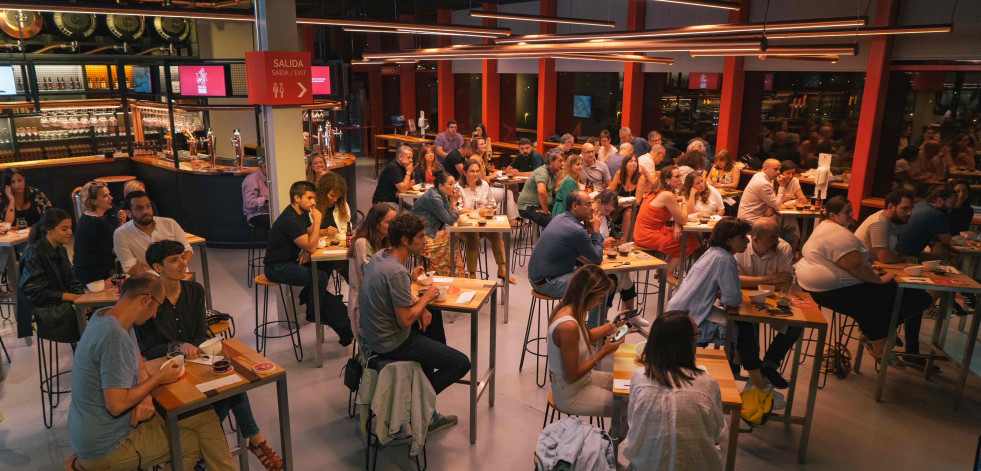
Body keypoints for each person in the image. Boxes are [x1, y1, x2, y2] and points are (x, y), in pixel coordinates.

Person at [134, 241, 283, 470]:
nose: (183, 263)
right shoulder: (148, 300)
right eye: (174, 260)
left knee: (232, 383)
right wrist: (178, 346)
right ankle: (253, 441)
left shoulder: (195, 290)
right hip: (167, 373)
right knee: (229, 392)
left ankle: (244, 442)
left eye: (182, 257)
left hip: (196, 362)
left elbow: (200, 334)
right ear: (158, 267)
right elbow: (147, 350)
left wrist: (190, 347)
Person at [67, 273, 235, 471]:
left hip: (96, 429)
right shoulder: (114, 337)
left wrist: (146, 396)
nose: (156, 314)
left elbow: (138, 362)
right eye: (158, 306)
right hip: (107, 445)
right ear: (146, 299)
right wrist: (158, 378)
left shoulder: (110, 315)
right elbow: (116, 405)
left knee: (205, 415)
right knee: (189, 444)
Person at [358, 213, 469, 433]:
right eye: (420, 237)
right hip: (391, 342)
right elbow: (405, 320)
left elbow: (391, 291)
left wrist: (411, 280)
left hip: (375, 336)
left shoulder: (381, 257)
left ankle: (427, 411)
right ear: (405, 241)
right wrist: (426, 298)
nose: (425, 241)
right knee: (461, 363)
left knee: (431, 320)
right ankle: (416, 406)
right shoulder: (396, 271)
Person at [795, 196, 932, 367]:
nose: (852, 215)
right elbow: (855, 264)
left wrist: (873, 272)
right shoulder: (838, 233)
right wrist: (878, 280)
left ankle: (878, 335)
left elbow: (850, 263)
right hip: (829, 290)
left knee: (892, 297)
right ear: (832, 215)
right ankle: (880, 343)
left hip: (822, 287)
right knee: (902, 296)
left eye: (851, 210)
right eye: (847, 212)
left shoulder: (827, 228)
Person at [622, 311, 726, 471]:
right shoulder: (708, 383)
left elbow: (632, 422)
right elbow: (719, 433)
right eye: (697, 334)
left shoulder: (639, 376)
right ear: (687, 343)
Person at [264, 181, 353, 346]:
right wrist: (317, 221)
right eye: (310, 198)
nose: (313, 202)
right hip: (276, 267)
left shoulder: (300, 212)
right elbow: (311, 244)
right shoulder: (290, 218)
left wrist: (310, 244)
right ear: (297, 198)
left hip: (292, 259)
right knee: (318, 278)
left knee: (326, 265)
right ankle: (313, 312)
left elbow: (308, 233)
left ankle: (309, 297)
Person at [547, 265, 627, 418]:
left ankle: (614, 439)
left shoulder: (572, 308)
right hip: (570, 393)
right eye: (600, 298)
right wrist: (604, 352)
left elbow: (586, 337)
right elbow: (572, 374)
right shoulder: (567, 326)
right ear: (589, 294)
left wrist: (612, 326)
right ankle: (611, 441)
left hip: (582, 380)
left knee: (627, 387)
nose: (599, 303)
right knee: (627, 407)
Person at [733, 218, 802, 390]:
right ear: (756, 239)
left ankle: (769, 364)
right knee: (742, 320)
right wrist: (770, 279)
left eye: (777, 235)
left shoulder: (783, 248)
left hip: (774, 299)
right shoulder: (741, 247)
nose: (777, 240)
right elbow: (735, 281)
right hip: (746, 300)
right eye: (772, 237)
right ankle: (751, 365)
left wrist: (749, 281)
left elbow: (784, 282)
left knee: (797, 324)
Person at [665, 217, 749, 348]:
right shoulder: (726, 260)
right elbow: (732, 300)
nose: (747, 241)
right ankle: (746, 367)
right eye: (742, 237)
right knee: (743, 328)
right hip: (690, 317)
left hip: (677, 309)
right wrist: (725, 295)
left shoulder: (712, 252)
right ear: (728, 240)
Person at [529, 191, 607, 323]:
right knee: (599, 284)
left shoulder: (561, 218)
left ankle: (582, 322)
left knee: (588, 272)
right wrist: (596, 231)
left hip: (537, 278)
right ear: (575, 206)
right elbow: (597, 258)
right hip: (549, 283)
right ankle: (594, 332)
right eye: (588, 204)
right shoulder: (576, 230)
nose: (592, 208)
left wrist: (591, 235)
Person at [17, 208, 85, 341]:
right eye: (64, 229)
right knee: (86, 322)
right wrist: (69, 296)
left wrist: (81, 297)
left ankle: (87, 355)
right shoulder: (34, 254)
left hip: (55, 300)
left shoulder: (61, 250)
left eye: (70, 228)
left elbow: (72, 279)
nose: (70, 232)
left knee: (95, 312)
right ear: (49, 229)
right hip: (40, 309)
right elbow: (35, 293)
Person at [633, 165, 700, 285]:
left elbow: (677, 216)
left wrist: (677, 224)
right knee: (689, 240)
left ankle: (663, 271)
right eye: (677, 176)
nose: (680, 179)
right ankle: (667, 272)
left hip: (644, 231)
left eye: (681, 176)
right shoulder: (667, 195)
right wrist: (684, 200)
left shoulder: (659, 191)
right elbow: (683, 219)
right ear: (667, 180)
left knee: (684, 237)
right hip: (648, 234)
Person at [457, 159, 512, 284]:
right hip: (466, 225)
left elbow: (492, 202)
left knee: (497, 233)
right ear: (464, 172)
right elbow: (458, 209)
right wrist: (475, 212)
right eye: (472, 171)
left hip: (484, 223)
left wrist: (489, 209)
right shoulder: (458, 187)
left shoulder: (484, 185)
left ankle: (502, 269)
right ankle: (472, 273)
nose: (475, 174)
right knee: (473, 237)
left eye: (477, 171)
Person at [113, 191, 192, 275]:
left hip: (178, 276)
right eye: (139, 208)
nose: (145, 211)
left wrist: (173, 270)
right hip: (149, 282)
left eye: (148, 206)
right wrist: (166, 271)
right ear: (129, 213)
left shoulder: (170, 223)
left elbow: (187, 251)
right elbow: (130, 267)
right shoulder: (121, 233)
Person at [348, 204, 397, 337]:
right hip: (365, 303)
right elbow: (371, 278)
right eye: (389, 222)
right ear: (376, 224)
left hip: (379, 297)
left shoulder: (385, 241)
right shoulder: (362, 243)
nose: (394, 225)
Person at [410, 172, 465, 276]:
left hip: (430, 232)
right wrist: (455, 202)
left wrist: (453, 199)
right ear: (440, 185)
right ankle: (444, 275)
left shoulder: (440, 194)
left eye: (454, 184)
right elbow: (450, 220)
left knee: (453, 238)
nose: (454, 187)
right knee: (452, 239)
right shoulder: (434, 198)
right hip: (420, 235)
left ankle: (451, 274)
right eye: (450, 184)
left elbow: (449, 214)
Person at [73, 181, 126, 285]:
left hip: (82, 274)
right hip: (97, 277)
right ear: (94, 201)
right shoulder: (99, 222)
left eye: (109, 194)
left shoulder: (85, 217)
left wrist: (121, 223)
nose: (111, 198)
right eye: (105, 196)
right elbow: (117, 250)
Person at [595, 190, 638, 313]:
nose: (607, 213)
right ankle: (606, 316)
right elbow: (584, 244)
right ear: (598, 202)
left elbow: (613, 236)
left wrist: (616, 241)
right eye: (606, 210)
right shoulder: (589, 218)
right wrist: (601, 243)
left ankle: (629, 313)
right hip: (592, 260)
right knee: (613, 278)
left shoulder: (606, 219)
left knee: (626, 271)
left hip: (605, 257)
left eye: (610, 211)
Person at [895, 185, 957, 261]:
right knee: (941, 261)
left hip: (896, 250)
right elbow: (946, 240)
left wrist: (938, 241)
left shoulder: (921, 204)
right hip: (907, 256)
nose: (954, 206)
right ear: (940, 200)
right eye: (952, 203)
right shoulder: (937, 214)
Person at [854, 188, 914, 264]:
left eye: (911, 209)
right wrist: (908, 259)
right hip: (867, 268)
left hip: (877, 266)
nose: (909, 213)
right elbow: (885, 257)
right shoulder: (879, 222)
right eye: (904, 208)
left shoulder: (896, 220)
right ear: (891, 207)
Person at [517, 149, 565, 228]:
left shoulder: (554, 173)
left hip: (541, 205)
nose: (562, 164)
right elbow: (542, 191)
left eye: (563, 161)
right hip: (528, 206)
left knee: (564, 218)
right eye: (560, 161)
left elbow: (554, 192)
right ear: (551, 161)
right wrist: (545, 209)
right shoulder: (542, 172)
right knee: (554, 223)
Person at [736, 158, 783, 223]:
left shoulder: (758, 175)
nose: (778, 172)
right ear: (765, 169)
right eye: (775, 169)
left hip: (746, 218)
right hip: (751, 222)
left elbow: (771, 199)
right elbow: (778, 206)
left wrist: (770, 205)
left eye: (779, 169)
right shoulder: (763, 183)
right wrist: (782, 186)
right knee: (780, 221)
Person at [242, 157, 271, 228]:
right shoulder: (251, 180)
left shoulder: (270, 177)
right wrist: (267, 199)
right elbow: (249, 203)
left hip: (269, 212)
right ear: (265, 166)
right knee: (282, 221)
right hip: (257, 215)